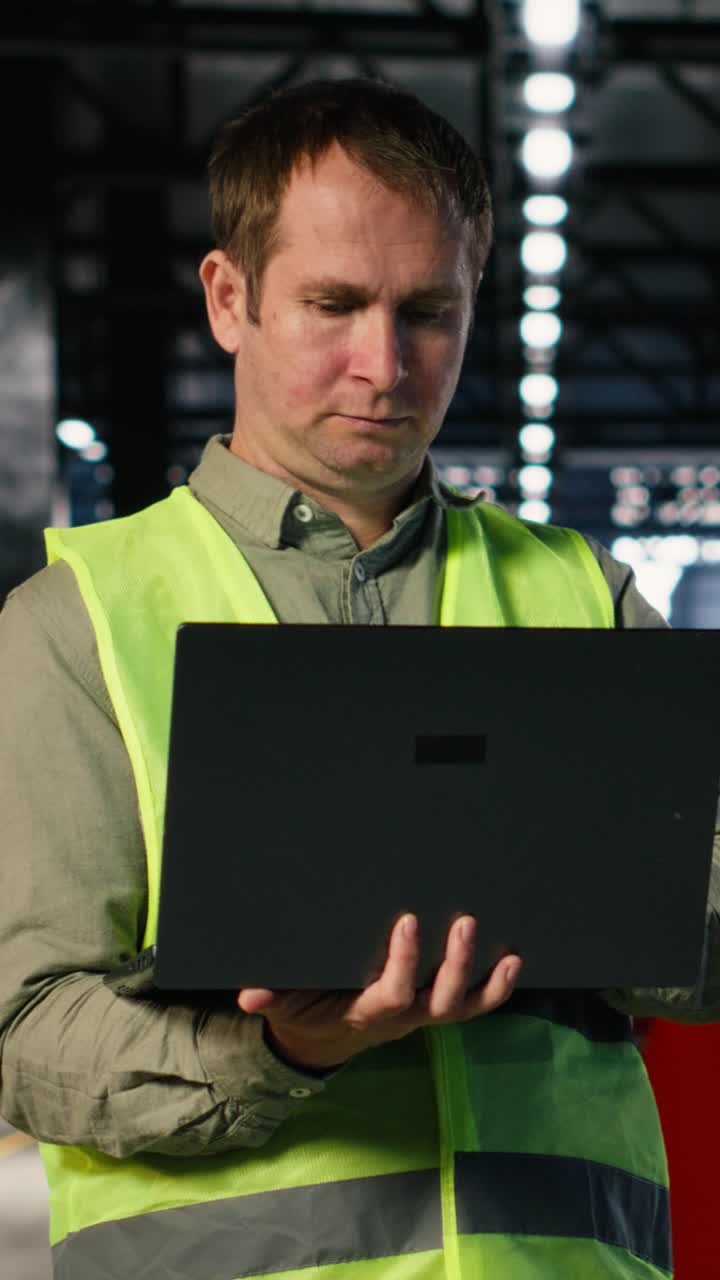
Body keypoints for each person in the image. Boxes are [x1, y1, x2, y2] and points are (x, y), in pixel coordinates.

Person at [0, 76, 718, 1280]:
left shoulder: (584, 598)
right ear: (230, 298)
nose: (384, 364)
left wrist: (589, 907)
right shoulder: (75, 623)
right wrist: (284, 1049)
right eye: (334, 304)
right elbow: (25, 1029)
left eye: (428, 310)